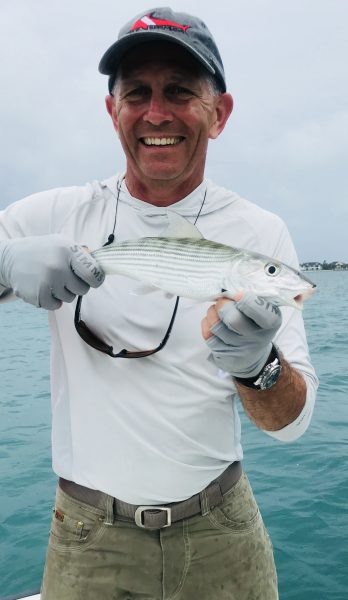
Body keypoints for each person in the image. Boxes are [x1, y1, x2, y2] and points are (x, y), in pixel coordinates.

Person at [0, 7, 318, 600]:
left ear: (219, 113)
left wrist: (259, 366)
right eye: (137, 93)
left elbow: (293, 424)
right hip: (87, 536)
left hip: (221, 528)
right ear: (112, 111)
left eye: (179, 91)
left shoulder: (261, 231)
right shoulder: (53, 214)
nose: (156, 113)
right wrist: (3, 264)